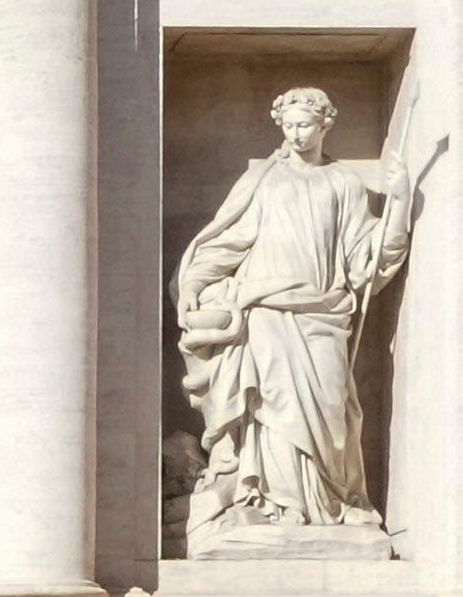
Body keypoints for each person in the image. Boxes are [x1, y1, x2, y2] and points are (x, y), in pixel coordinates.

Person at [171, 89, 432, 536]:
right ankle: (271, 501)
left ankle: (327, 504)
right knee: (270, 409)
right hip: (267, 313)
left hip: (322, 314)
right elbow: (226, 241)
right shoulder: (263, 180)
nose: (295, 134)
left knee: (332, 411)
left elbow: (367, 260)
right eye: (288, 126)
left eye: (304, 125)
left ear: (325, 124)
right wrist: (195, 282)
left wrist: (401, 201)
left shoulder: (344, 183)